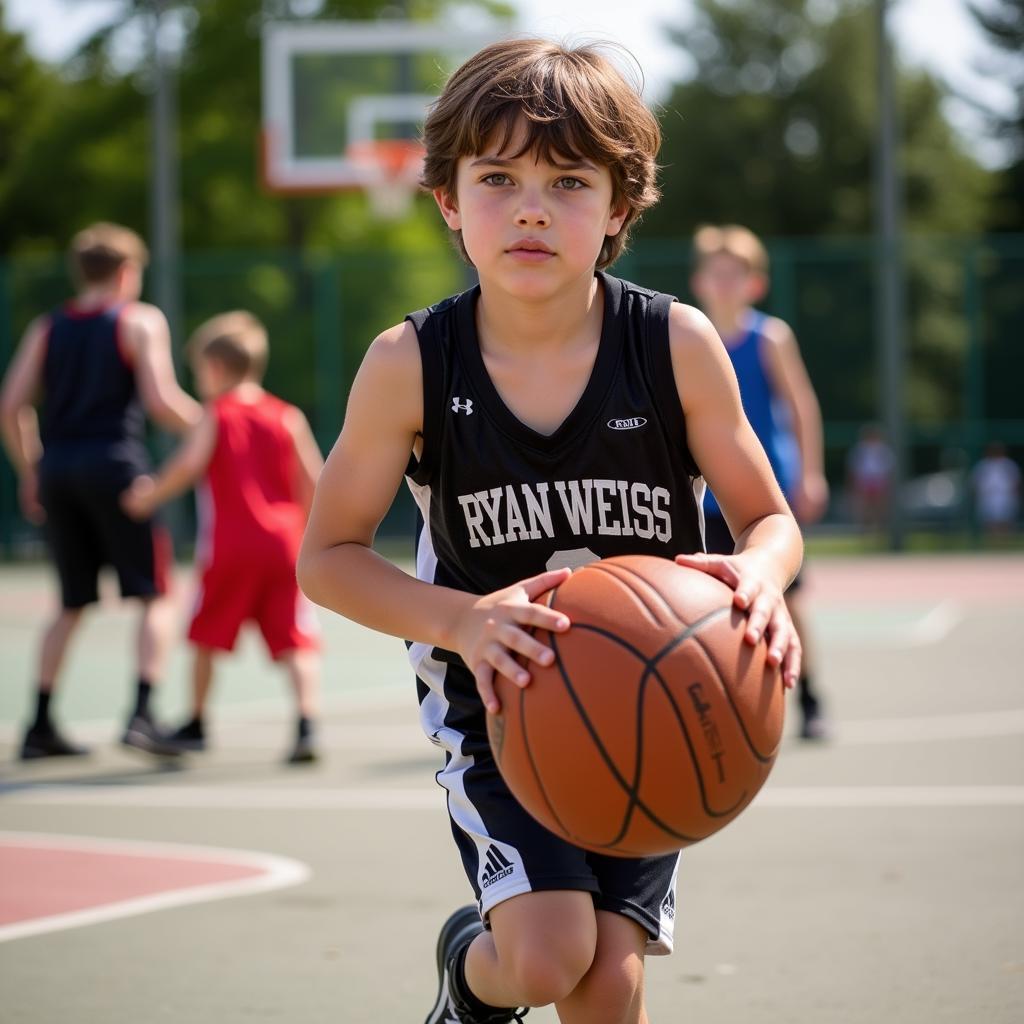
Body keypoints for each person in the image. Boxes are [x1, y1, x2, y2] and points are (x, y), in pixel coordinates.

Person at [297, 38, 804, 1024]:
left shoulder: (674, 344)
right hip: (492, 701)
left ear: (617, 207)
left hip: (652, 697)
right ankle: (469, 979)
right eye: (497, 177)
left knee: (605, 991)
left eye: (568, 180)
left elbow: (769, 517)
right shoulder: (411, 362)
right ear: (447, 199)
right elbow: (327, 557)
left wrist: (759, 576)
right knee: (542, 958)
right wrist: (464, 622)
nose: (531, 205)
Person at [0, 222, 202, 760]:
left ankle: (39, 723)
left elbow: (11, 404)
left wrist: (31, 471)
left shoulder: (48, 328)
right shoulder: (136, 320)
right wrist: (212, 426)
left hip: (59, 470)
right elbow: (161, 401)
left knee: (70, 603)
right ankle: (141, 714)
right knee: (155, 595)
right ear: (128, 272)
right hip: (115, 468)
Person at [121, 311, 324, 764]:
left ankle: (195, 722)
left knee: (206, 636)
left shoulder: (216, 414)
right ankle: (306, 724)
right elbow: (313, 478)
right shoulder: (286, 416)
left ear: (214, 368)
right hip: (284, 544)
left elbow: (189, 465)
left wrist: (150, 494)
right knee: (295, 638)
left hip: (230, 547)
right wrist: (311, 529)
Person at [689, 224, 830, 742]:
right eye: (716, 272)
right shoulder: (689, 335)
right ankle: (714, 705)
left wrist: (810, 473)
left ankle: (811, 698)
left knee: (785, 599)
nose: (724, 282)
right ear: (700, 281)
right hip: (707, 498)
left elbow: (800, 405)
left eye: (735, 273)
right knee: (701, 604)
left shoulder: (769, 336)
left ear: (755, 283)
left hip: (764, 497)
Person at [846, 423, 894, 535]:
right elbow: (853, 468)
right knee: (865, 506)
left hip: (879, 480)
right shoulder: (860, 449)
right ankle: (865, 529)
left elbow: (889, 469)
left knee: (879, 506)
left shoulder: (883, 449)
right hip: (865, 480)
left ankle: (879, 528)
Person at [971, 442, 1020, 540]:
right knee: (989, 521)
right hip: (988, 496)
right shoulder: (983, 465)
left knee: (1005, 520)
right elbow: (975, 482)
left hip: (1004, 496)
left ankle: (1004, 540)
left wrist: (1015, 495)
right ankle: (992, 541)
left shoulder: (1008, 464)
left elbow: (1016, 481)